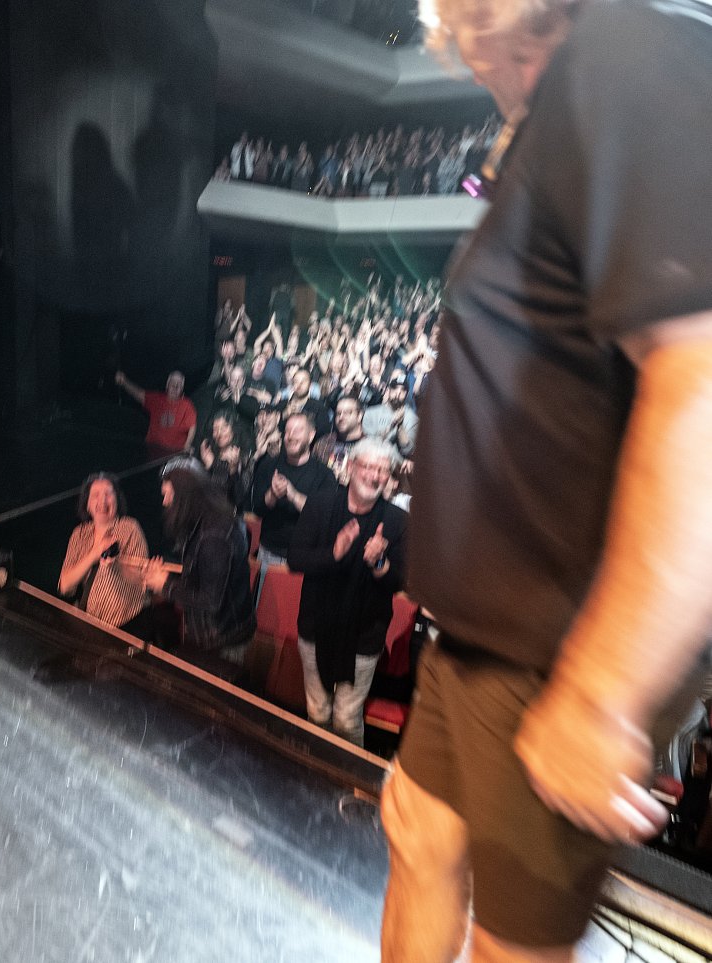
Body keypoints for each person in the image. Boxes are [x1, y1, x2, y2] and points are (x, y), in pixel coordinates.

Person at [381, 1, 712, 961]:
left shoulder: (626, 54)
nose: (472, 59)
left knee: (513, 943)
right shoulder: (560, 110)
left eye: (475, 34)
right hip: (485, 622)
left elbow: (697, 375)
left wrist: (607, 690)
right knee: (417, 827)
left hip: (558, 641)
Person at [287, 438, 406, 746]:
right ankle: (314, 768)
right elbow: (295, 558)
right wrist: (334, 554)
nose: (375, 476)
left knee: (346, 719)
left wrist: (378, 563)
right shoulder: (321, 504)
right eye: (368, 467)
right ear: (351, 467)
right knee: (317, 712)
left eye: (383, 470)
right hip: (316, 626)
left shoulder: (397, 520)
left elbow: (401, 581)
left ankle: (346, 772)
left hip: (364, 636)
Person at [143, 461, 255, 663]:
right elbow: (201, 574)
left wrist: (165, 585)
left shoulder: (214, 536)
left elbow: (211, 601)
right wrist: (165, 576)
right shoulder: (208, 519)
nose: (165, 502)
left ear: (185, 497)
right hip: (218, 632)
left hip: (224, 638)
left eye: (168, 495)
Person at [251, 413, 338, 580]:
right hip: (269, 553)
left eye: (298, 431)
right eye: (288, 431)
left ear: (311, 435)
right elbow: (257, 508)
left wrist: (292, 494)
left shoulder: (325, 475)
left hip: (306, 559)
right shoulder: (268, 465)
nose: (291, 436)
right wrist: (273, 494)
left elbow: (323, 518)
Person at [58, 472, 149, 630]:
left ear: (117, 500)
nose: (102, 500)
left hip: (128, 624)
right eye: (95, 495)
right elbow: (65, 586)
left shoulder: (130, 528)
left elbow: (142, 580)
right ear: (87, 504)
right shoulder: (79, 534)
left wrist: (117, 566)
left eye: (108, 494)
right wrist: (93, 554)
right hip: (90, 624)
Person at [115, 369, 196, 452]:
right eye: (173, 383)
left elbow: (192, 426)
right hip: (152, 449)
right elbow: (139, 394)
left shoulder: (186, 404)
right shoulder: (157, 399)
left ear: (181, 389)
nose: (175, 386)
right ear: (167, 385)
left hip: (174, 453)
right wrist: (124, 382)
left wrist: (187, 445)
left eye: (179, 385)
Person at [313, 394, 366, 485]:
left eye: (347, 412)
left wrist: (352, 482)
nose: (341, 417)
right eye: (338, 413)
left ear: (359, 416)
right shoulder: (323, 443)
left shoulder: (370, 447)